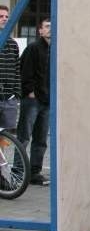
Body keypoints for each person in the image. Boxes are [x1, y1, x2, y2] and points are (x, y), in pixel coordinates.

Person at [18, 18, 51, 186]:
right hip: (32, 100)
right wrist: (30, 92)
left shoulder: (55, 50)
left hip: (47, 100)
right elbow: (24, 71)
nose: (50, 29)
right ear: (40, 30)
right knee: (24, 136)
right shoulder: (33, 48)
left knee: (41, 138)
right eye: (47, 26)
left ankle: (34, 172)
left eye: (52, 26)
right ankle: (18, 171)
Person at [0, 5, 21, 188]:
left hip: (9, 97)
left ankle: (3, 176)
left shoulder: (13, 44)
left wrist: (17, 93)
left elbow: (16, 70)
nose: (4, 19)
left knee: (5, 138)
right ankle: (5, 178)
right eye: (1, 16)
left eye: (7, 16)